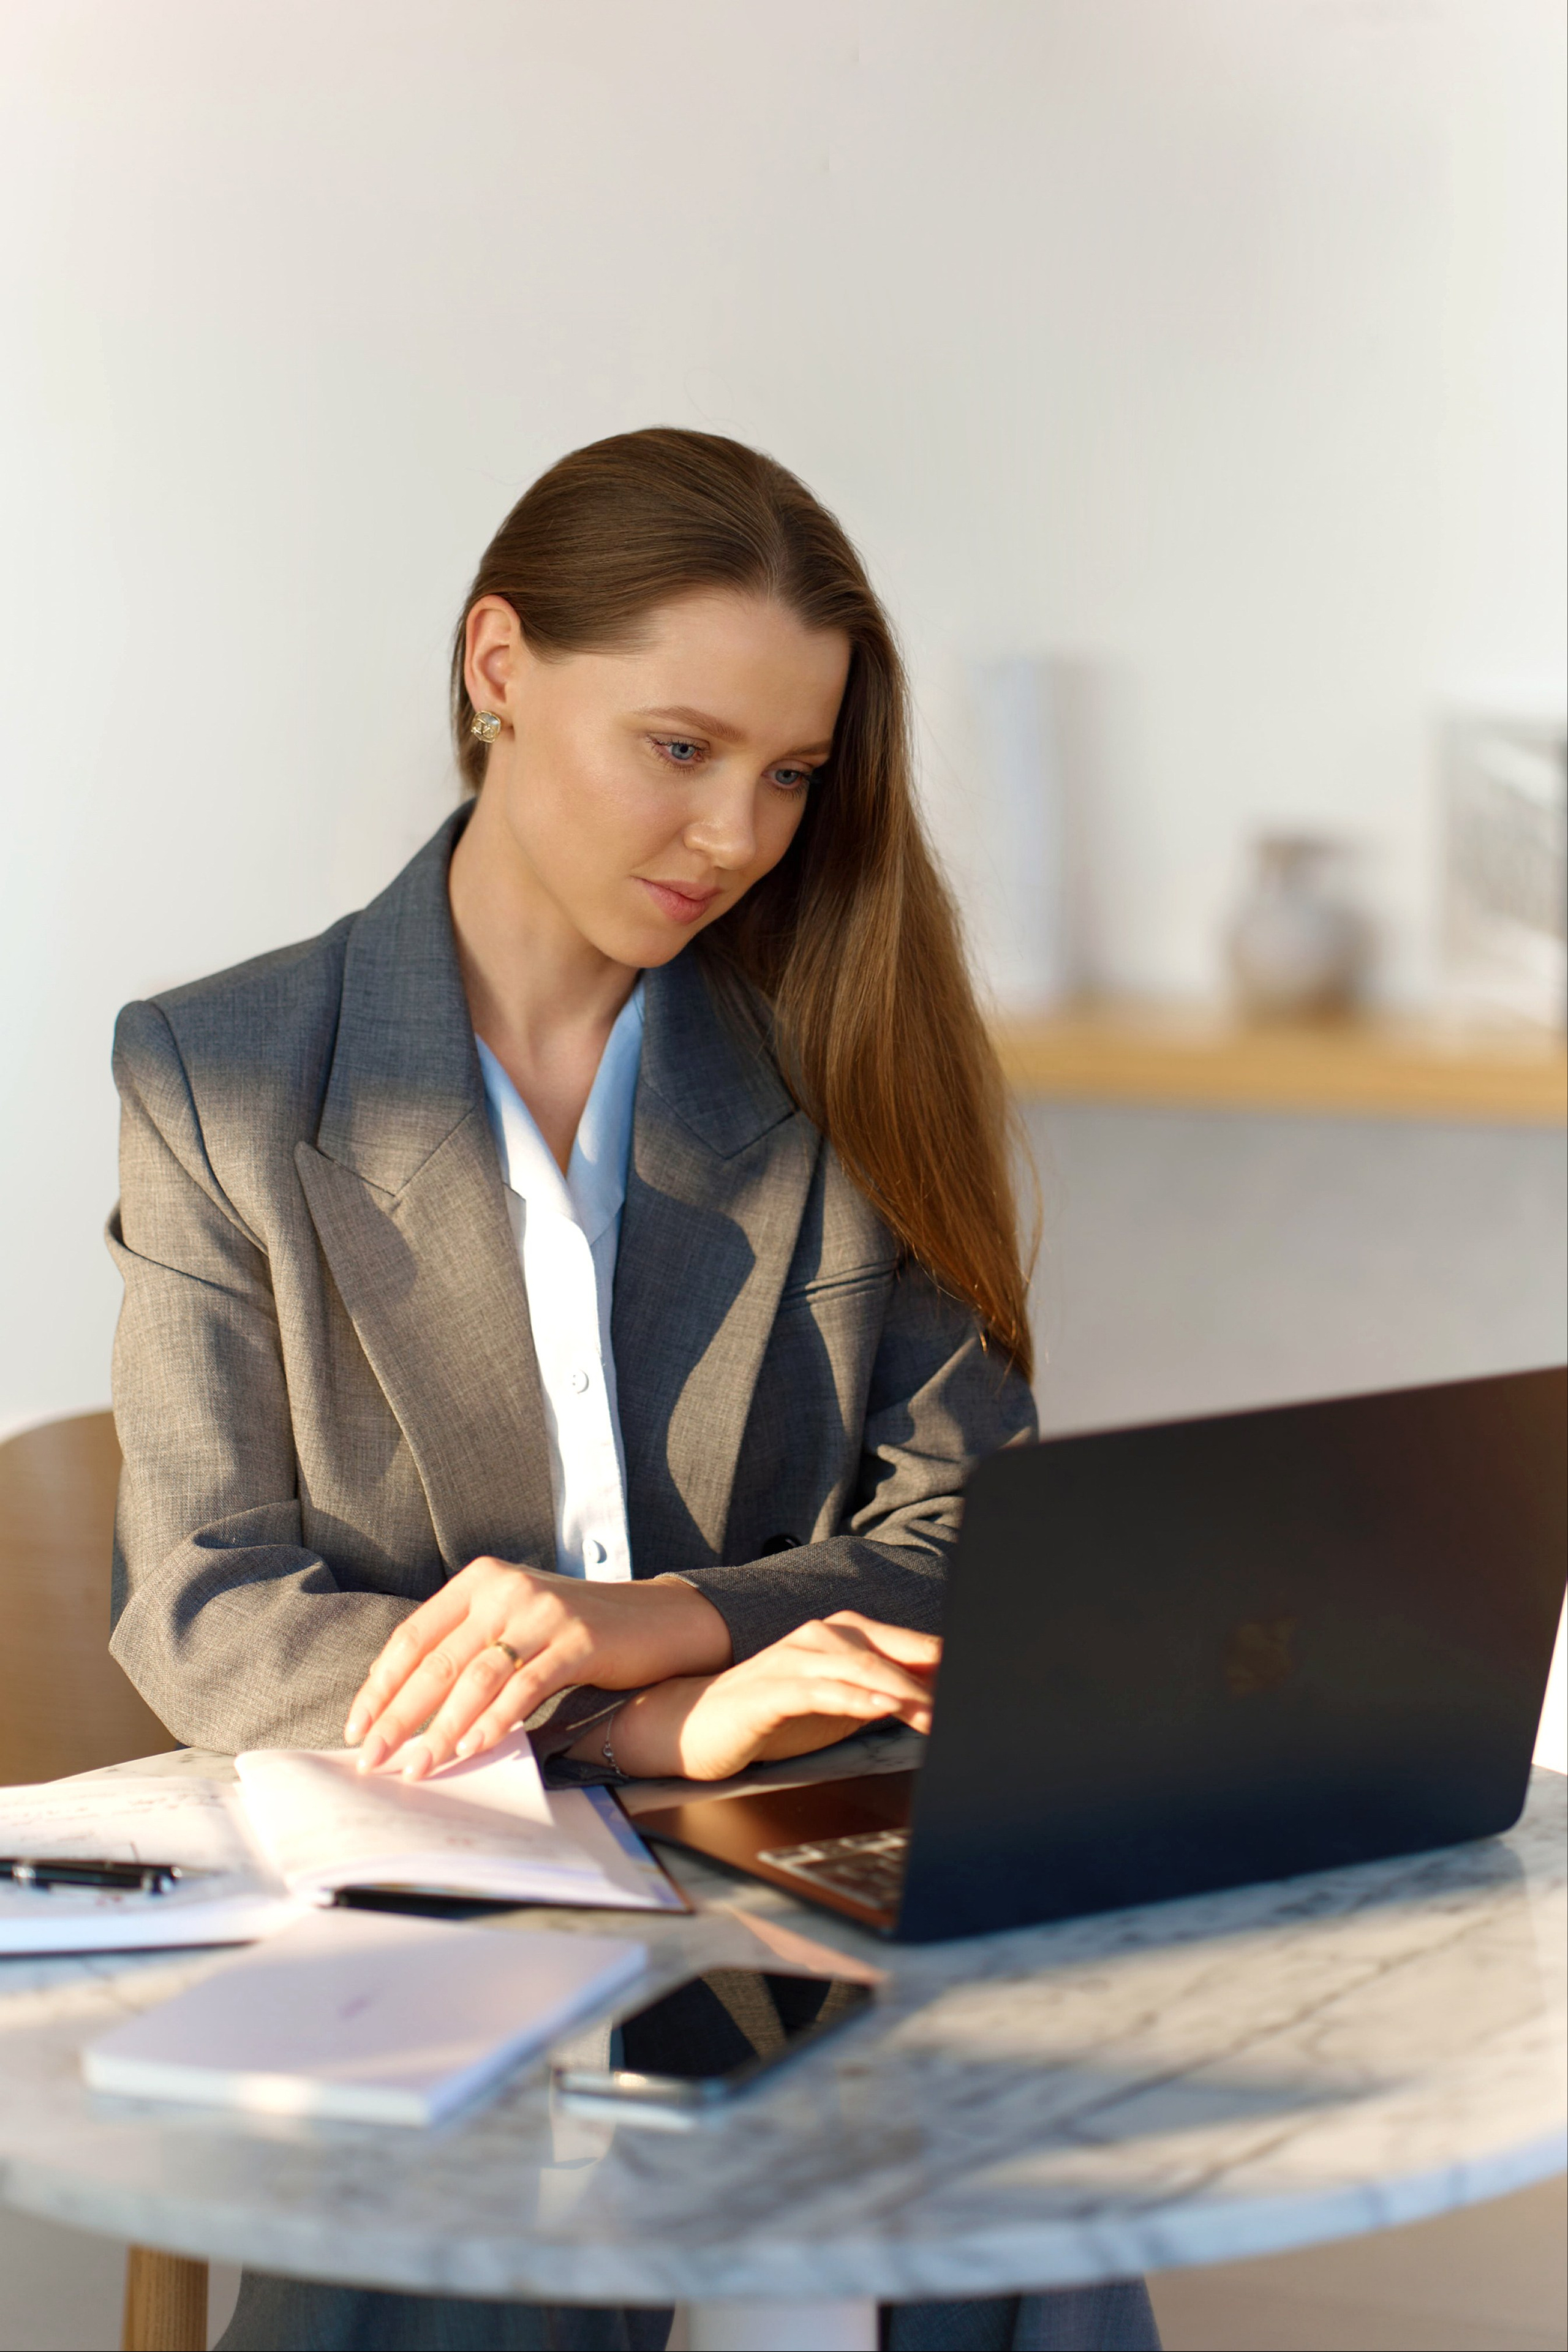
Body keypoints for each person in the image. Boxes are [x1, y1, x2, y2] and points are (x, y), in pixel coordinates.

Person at [107, 429, 1161, 2352]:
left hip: (819, 1845)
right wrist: (648, 1720)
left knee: (1009, 2165)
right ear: (497, 667)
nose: (735, 838)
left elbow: (981, 1542)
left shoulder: (836, 1055)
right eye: (679, 750)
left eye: (786, 777)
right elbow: (206, 1610)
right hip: (445, 1861)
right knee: (458, 2229)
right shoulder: (226, 1077)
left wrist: (643, 1620)